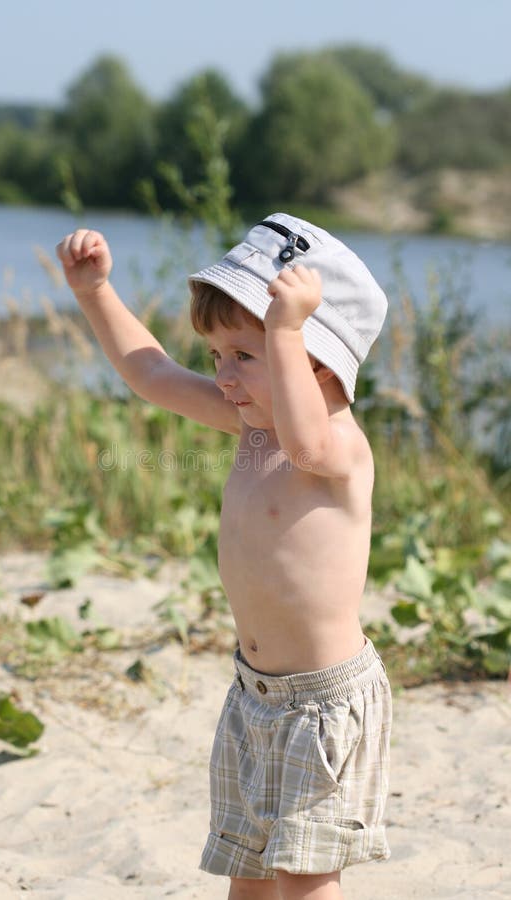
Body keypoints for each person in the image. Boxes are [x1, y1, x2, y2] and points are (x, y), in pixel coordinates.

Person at [56, 213, 392, 900]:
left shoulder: (334, 447)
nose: (225, 377)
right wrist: (95, 293)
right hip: (254, 697)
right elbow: (152, 375)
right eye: (217, 357)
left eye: (245, 356)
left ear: (320, 361)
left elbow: (302, 444)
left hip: (322, 705)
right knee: (249, 868)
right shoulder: (253, 423)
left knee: (305, 877)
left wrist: (288, 331)